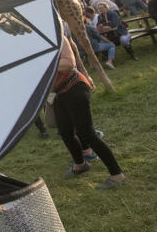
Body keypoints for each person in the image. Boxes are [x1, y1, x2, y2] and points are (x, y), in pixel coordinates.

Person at [53, 28, 126, 189]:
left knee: (86, 133)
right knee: (65, 131)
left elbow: (68, 63)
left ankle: (117, 174)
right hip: (58, 92)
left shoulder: (58, 37)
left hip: (75, 87)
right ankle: (80, 165)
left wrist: (44, 62)